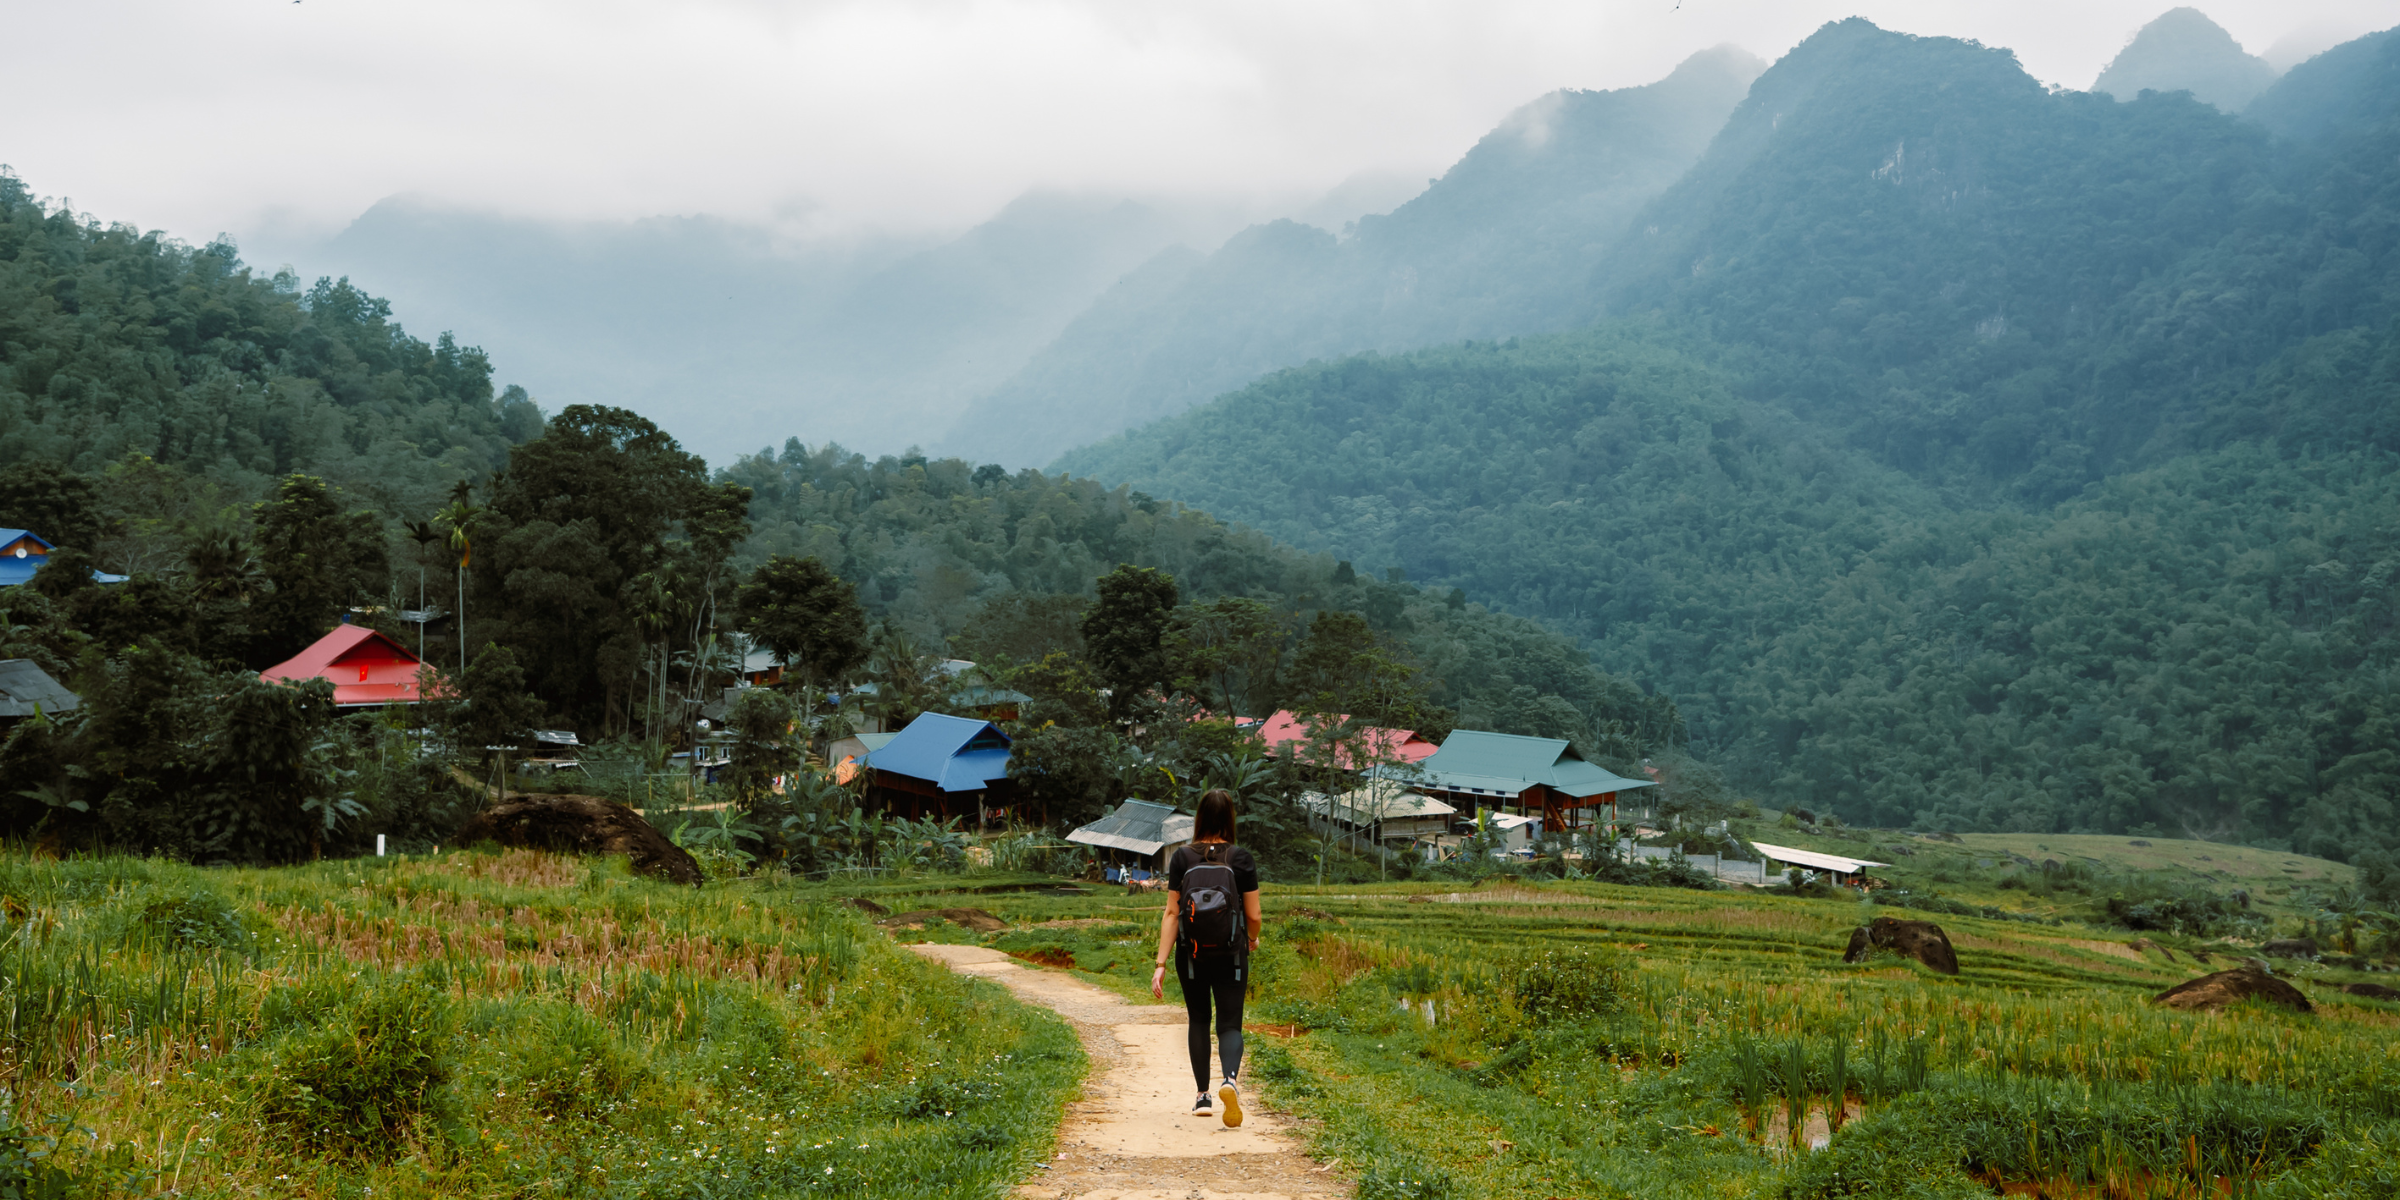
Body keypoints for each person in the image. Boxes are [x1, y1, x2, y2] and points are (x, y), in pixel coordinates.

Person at [1151, 788, 1263, 1126]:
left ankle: (1202, 1096)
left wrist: (1160, 965)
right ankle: (1229, 1080)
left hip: (1191, 955)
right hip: (1232, 954)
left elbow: (1172, 913)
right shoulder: (1241, 858)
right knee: (1229, 1024)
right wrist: (1252, 939)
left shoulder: (1183, 857)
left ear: (1199, 817)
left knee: (1198, 1020)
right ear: (1230, 818)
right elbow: (1254, 915)